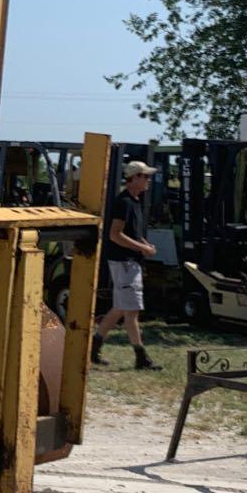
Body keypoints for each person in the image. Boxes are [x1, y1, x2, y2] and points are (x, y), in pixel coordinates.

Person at [95, 158, 160, 370]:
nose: (149, 180)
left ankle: (94, 348)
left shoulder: (134, 201)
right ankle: (141, 357)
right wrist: (142, 248)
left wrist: (145, 245)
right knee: (131, 310)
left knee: (121, 308)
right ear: (134, 178)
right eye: (146, 176)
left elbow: (131, 233)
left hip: (128, 262)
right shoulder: (124, 203)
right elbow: (115, 235)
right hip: (124, 262)